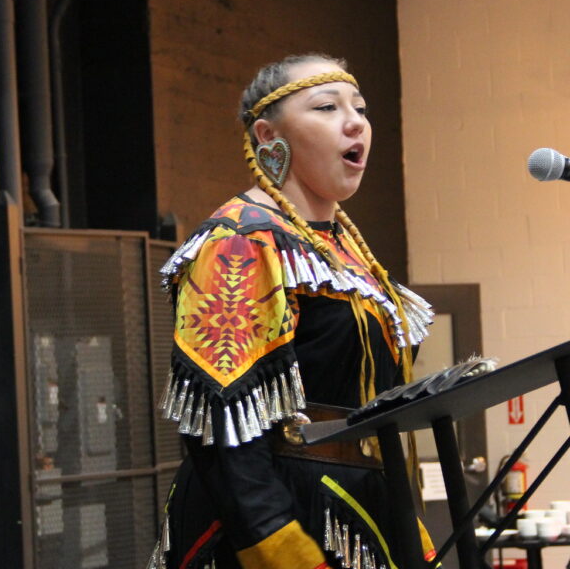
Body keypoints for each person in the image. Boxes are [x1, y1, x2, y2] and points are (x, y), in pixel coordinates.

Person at [146, 54, 437, 569]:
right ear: (267, 134)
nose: (355, 122)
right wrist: (280, 548)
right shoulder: (239, 240)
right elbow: (223, 424)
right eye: (326, 107)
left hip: (360, 503)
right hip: (278, 514)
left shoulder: (344, 247)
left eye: (361, 109)